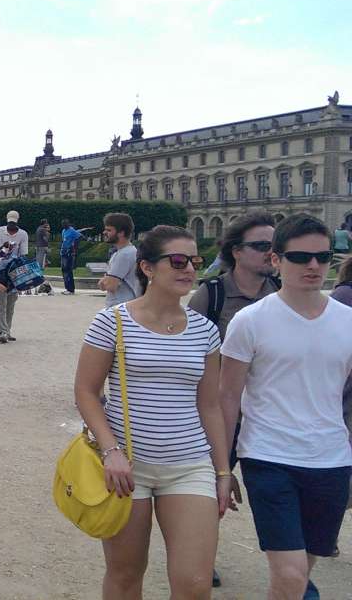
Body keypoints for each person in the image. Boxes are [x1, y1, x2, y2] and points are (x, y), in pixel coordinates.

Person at [73, 225, 226, 599]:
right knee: (126, 576)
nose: (189, 269)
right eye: (178, 260)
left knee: (195, 585)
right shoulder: (112, 322)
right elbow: (86, 392)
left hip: (189, 465)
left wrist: (222, 471)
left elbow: (209, 405)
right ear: (147, 267)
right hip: (127, 467)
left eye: (194, 261)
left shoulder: (204, 330)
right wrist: (111, 451)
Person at [219, 214, 352, 600]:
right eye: (300, 257)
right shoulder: (249, 321)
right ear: (276, 260)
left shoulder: (347, 321)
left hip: (331, 459)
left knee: (298, 576)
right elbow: (227, 397)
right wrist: (222, 467)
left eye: (322, 257)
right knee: (292, 576)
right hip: (268, 457)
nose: (313, 265)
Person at [185, 211, 281, 590]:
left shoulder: (283, 295)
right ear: (237, 251)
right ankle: (202, 555)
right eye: (261, 246)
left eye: (274, 246)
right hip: (221, 410)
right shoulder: (212, 295)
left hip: (269, 413)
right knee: (211, 485)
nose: (270, 253)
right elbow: (189, 353)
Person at [0, 211, 28, 343]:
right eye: (10, 223)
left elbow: (23, 255)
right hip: (0, 272)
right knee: (1, 302)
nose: (11, 225)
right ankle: (2, 332)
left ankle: (7, 330)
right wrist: (3, 246)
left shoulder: (23, 234)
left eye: (13, 223)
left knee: (11, 303)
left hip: (14, 272)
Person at [98, 213, 141, 308]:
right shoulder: (129, 251)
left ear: (121, 232)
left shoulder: (123, 255)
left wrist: (104, 280)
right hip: (127, 304)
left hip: (120, 306)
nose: (104, 232)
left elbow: (110, 286)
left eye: (109, 230)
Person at [59, 219, 92, 295]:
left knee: (68, 270)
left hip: (69, 252)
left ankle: (71, 289)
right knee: (64, 270)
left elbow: (80, 235)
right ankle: (67, 288)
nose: (64, 225)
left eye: (65, 224)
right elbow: (64, 241)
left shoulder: (72, 230)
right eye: (63, 224)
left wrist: (86, 240)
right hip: (63, 252)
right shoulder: (63, 231)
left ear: (68, 224)